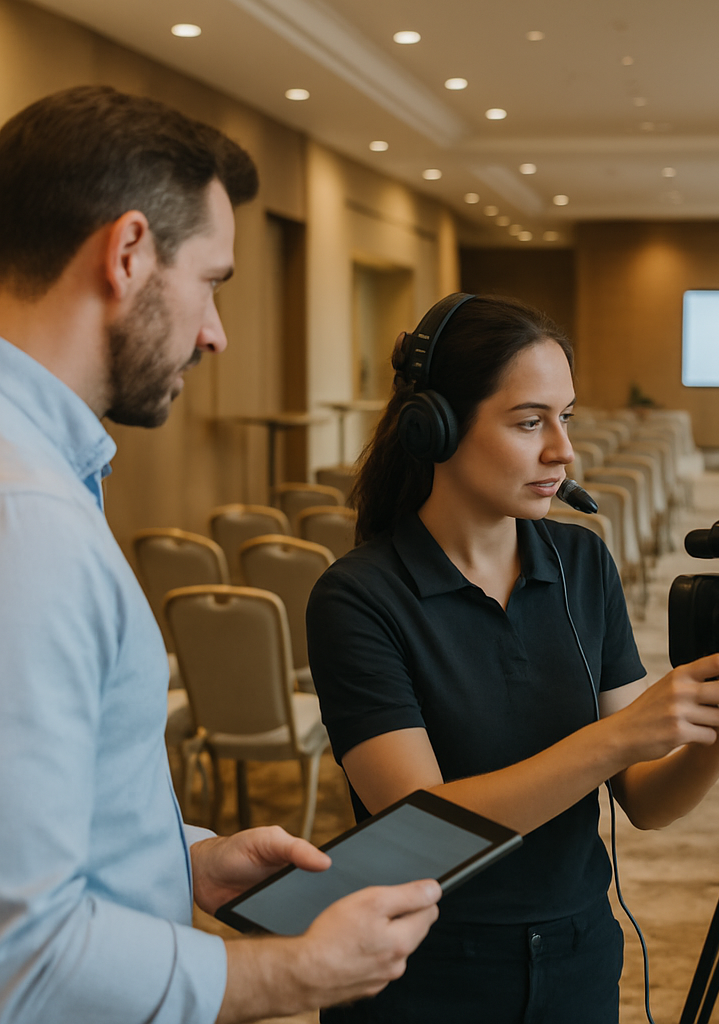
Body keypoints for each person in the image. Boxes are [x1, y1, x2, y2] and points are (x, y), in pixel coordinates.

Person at [0, 85, 440, 1024]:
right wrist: (300, 975)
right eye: (211, 282)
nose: (215, 332)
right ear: (126, 255)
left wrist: (182, 857)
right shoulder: (26, 517)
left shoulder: (38, 476)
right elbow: (21, 959)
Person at [305, 292, 719, 1024]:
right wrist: (618, 737)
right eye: (529, 422)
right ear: (435, 429)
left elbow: (645, 799)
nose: (562, 450)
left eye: (566, 417)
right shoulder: (358, 598)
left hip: (577, 947)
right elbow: (420, 830)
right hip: (421, 967)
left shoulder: (582, 563)